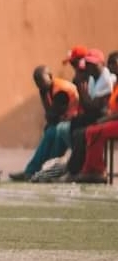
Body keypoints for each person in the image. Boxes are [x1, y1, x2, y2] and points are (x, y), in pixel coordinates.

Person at [9, 65, 78, 181]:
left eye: (41, 80)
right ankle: (32, 171)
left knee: (55, 132)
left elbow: (53, 115)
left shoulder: (61, 90)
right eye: (36, 81)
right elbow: (50, 115)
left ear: (50, 76)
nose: (39, 84)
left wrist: (50, 116)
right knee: (51, 132)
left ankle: (45, 172)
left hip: (75, 122)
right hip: (65, 122)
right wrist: (43, 95)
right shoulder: (46, 90)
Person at [62, 48, 116, 179]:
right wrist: (84, 96)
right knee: (76, 125)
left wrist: (84, 95)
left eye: (93, 64)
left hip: (104, 116)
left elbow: (95, 106)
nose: (89, 67)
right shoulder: (92, 79)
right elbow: (89, 105)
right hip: (103, 116)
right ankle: (77, 168)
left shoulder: (106, 80)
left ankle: (88, 170)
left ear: (102, 64)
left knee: (87, 132)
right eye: (88, 64)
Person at [77, 51, 118, 182]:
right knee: (90, 130)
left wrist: (104, 119)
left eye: (114, 63)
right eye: (110, 63)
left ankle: (97, 171)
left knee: (94, 131)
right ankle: (90, 169)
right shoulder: (116, 84)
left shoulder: (109, 82)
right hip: (113, 121)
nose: (111, 66)